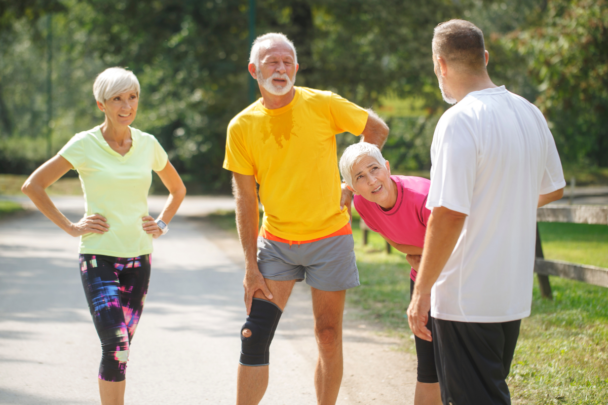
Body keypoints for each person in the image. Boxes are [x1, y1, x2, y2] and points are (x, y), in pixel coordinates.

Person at [223, 33, 389, 405]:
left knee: (327, 334)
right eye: (271, 62)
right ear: (254, 70)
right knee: (254, 334)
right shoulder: (241, 127)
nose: (280, 69)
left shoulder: (323, 104)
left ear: (296, 68)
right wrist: (250, 266)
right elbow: (245, 199)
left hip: (331, 238)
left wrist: (353, 180)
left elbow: (376, 128)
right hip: (277, 242)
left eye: (287, 62)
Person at [406, 19, 566, 404]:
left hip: (465, 296)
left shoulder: (458, 120)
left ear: (440, 64)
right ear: (485, 57)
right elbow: (553, 187)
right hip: (510, 294)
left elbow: (447, 213)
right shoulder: (530, 112)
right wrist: (501, 203)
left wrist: (421, 291)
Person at [21, 67, 186, 405]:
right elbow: (33, 185)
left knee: (121, 351)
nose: (127, 106)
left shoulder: (148, 144)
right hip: (98, 256)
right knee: (116, 345)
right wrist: (71, 227)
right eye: (117, 99)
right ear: (101, 104)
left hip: (139, 257)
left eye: (132, 97)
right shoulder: (85, 144)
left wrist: (162, 223)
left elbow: (177, 189)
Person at [339, 142, 440, 405]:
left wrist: (420, 255)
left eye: (374, 169)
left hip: (459, 279)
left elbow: (458, 247)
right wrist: (417, 254)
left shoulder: (425, 198)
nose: (371, 180)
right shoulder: (364, 205)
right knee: (428, 371)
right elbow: (397, 241)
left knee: (459, 369)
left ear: (387, 167)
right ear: (352, 187)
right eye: (360, 177)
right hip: (421, 279)